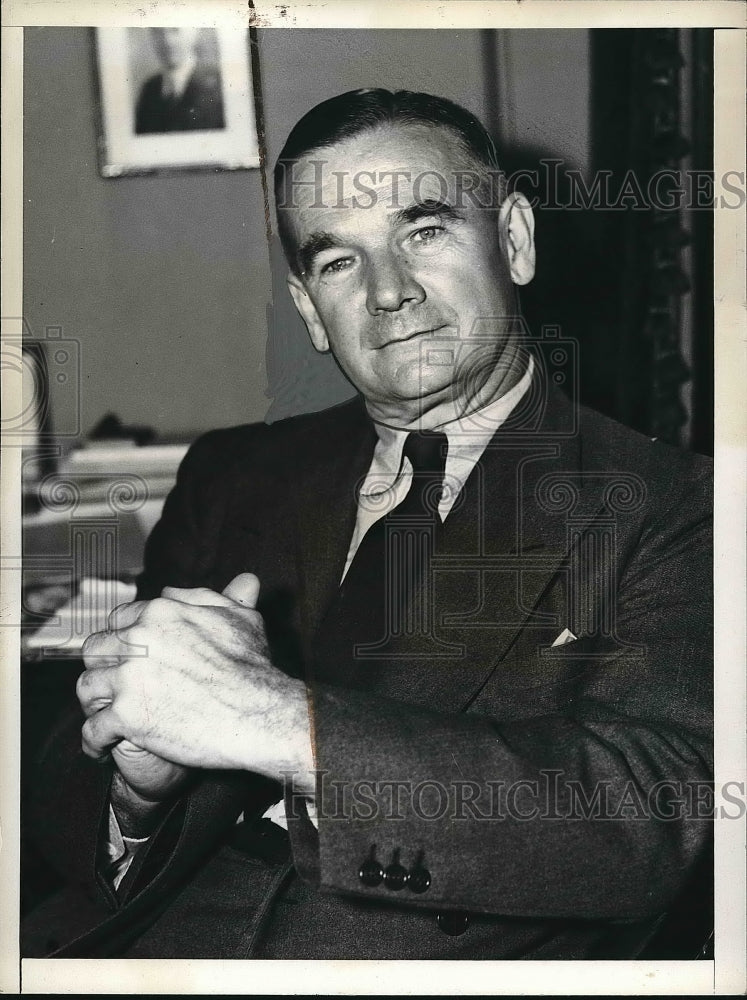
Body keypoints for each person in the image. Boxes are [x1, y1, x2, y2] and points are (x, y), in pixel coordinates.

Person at [22, 89, 713, 960]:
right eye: (338, 262)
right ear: (310, 309)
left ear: (513, 241)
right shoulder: (235, 475)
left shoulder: (674, 504)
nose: (389, 292)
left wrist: (277, 722)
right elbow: (59, 785)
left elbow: (653, 826)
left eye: (424, 230)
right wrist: (137, 791)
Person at [134, 27, 225, 134]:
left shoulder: (219, 85)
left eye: (175, 30)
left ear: (193, 34)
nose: (167, 41)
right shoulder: (149, 89)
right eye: (158, 32)